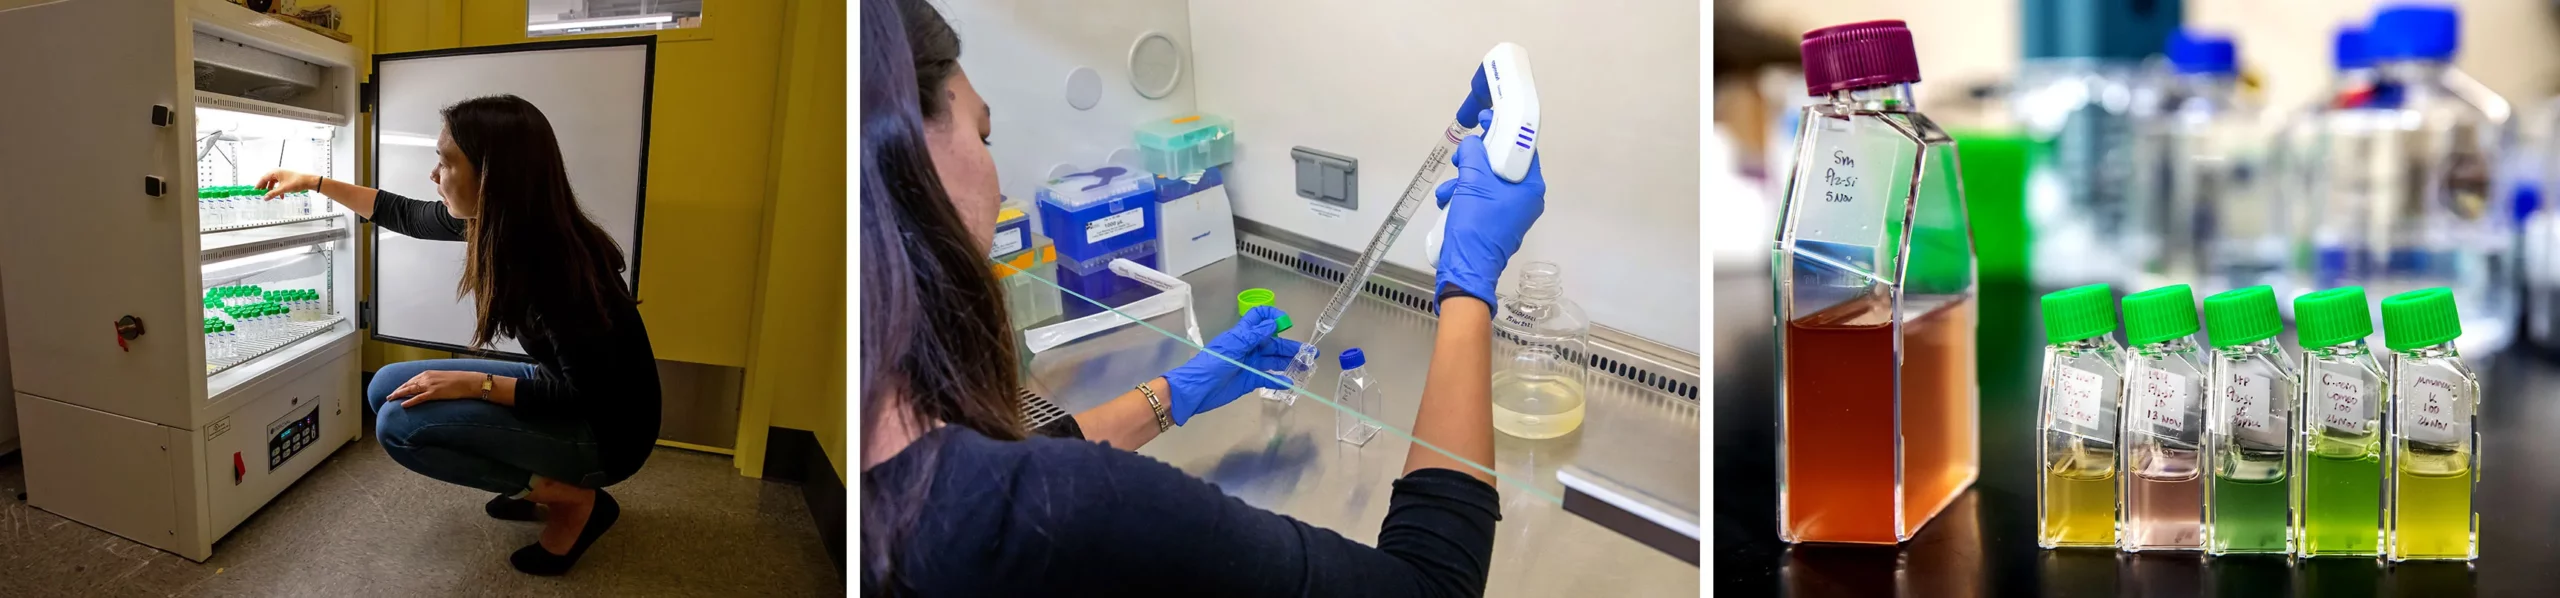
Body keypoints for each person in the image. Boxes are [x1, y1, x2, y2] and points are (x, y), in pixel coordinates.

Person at [859, 0, 1547, 595]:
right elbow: (1429, 585)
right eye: (983, 134)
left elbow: (1014, 471)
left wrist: (1172, 394)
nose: (994, 170)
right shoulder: (1048, 509)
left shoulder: (881, 454)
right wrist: (1468, 285)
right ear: (904, 155)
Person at [257, 95, 659, 576]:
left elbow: (581, 395)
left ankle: (576, 500)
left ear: (493, 176)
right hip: (570, 389)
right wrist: (314, 182)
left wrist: (474, 384)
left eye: (446, 161)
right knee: (388, 385)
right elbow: (405, 214)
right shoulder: (508, 223)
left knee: (400, 427)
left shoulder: (556, 267)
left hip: (607, 433)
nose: (434, 174)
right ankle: (540, 479)